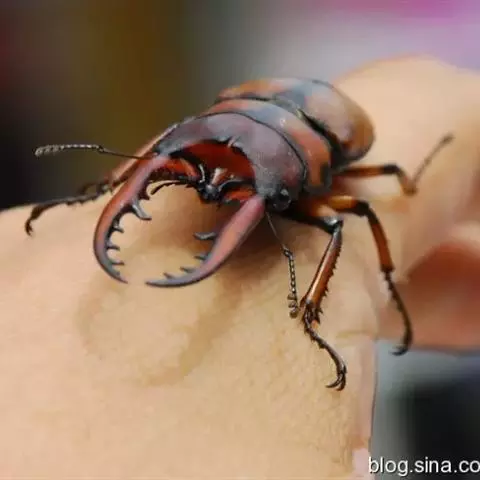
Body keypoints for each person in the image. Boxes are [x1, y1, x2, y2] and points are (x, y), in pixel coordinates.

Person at [1, 55, 480, 479]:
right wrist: (115, 186)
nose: (216, 188)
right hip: (250, 106)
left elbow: (352, 213)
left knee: (343, 221)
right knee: (167, 155)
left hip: (311, 122)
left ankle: (309, 313)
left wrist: (336, 305)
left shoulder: (322, 174)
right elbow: (168, 148)